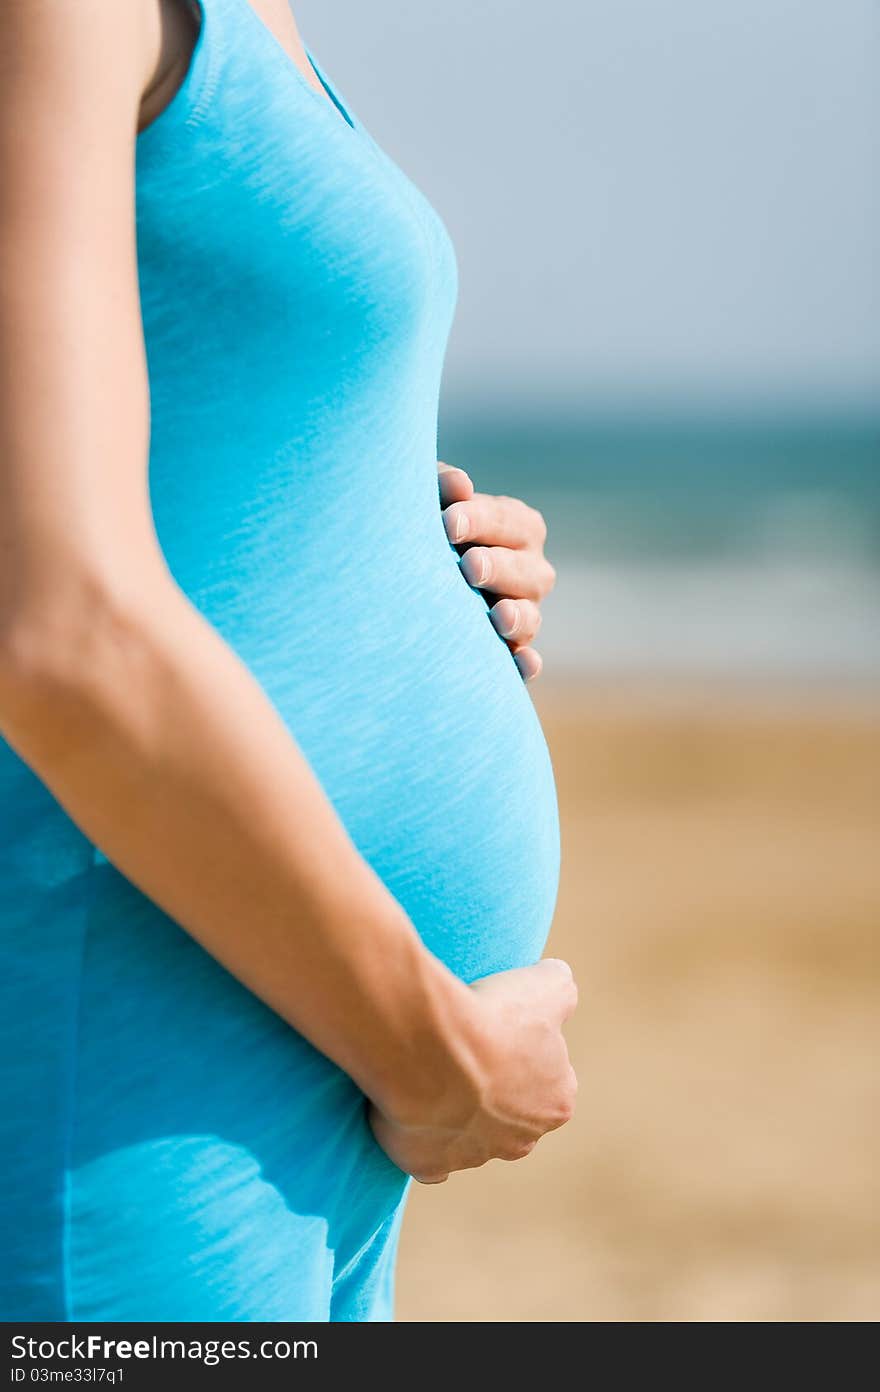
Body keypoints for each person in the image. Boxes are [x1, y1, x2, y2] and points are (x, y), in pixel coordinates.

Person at [0, 0, 577, 1321]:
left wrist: (411, 551)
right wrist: (433, 1057)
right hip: (136, 1065)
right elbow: (65, 636)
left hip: (285, 1054)